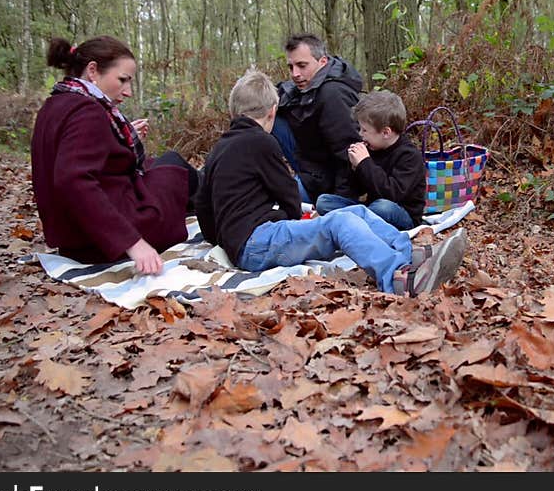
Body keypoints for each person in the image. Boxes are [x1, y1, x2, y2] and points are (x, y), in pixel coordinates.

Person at [195, 69, 466, 297]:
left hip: (250, 241)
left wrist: (221, 240)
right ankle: (399, 279)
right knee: (340, 223)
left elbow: (203, 206)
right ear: (272, 111)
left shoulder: (219, 149)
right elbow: (287, 192)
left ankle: (410, 253)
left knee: (355, 212)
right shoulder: (261, 141)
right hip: (257, 244)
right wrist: (290, 219)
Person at [31, 35, 200, 275]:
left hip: (75, 238)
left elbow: (81, 158)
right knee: (174, 173)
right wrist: (133, 243)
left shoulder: (56, 103)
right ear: (93, 71)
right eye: (122, 80)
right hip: (99, 242)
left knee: (163, 166)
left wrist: (123, 135)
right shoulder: (87, 111)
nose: (128, 91)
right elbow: (73, 180)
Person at [315, 90, 425, 230]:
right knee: (324, 202)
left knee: (382, 207)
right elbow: (353, 192)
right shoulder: (373, 149)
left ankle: (350, 222)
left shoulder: (409, 156)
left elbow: (391, 194)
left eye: (365, 130)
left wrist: (364, 164)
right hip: (369, 210)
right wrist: (354, 168)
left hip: (400, 214)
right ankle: (355, 222)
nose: (360, 135)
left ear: (386, 132)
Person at [274, 33, 363, 204]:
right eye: (291, 67)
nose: (295, 74)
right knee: (270, 115)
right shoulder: (304, 85)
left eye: (302, 65)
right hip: (310, 162)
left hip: (328, 182)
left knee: (279, 200)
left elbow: (349, 153)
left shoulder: (333, 95)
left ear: (322, 62)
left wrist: (338, 204)